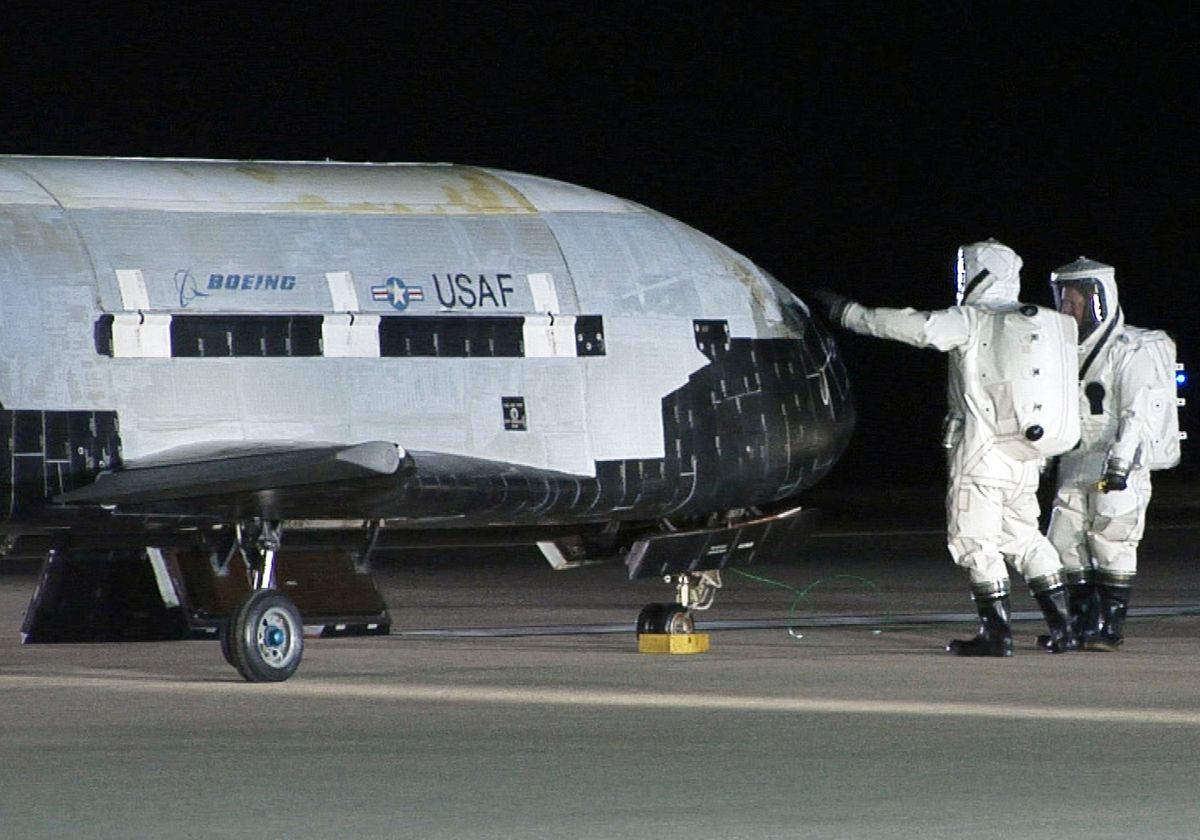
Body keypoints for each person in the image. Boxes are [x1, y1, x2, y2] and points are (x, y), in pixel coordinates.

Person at [813, 239, 1079, 656]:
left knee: (973, 541)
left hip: (980, 455)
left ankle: (996, 635)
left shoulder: (973, 320)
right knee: (1025, 539)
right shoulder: (1028, 324)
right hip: (1025, 459)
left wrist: (849, 314)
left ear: (975, 273)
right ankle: (1065, 629)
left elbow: (916, 327)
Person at [1046, 257, 1160, 650]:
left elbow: (1136, 412)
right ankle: (1082, 624)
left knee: (1112, 541)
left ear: (1098, 300)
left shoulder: (1129, 350)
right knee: (1063, 541)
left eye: (1074, 302)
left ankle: (1109, 629)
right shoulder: (1063, 351)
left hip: (1117, 462)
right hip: (1075, 460)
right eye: (1063, 300)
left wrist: (1120, 465)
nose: (1066, 310)